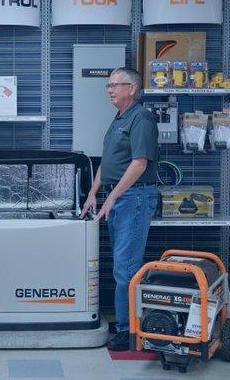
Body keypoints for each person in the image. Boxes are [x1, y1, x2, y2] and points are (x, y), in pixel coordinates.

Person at [81, 67, 158, 351]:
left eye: (116, 85)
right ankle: (126, 322)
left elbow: (139, 164)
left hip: (134, 200)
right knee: (121, 266)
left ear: (133, 89)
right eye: (108, 85)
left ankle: (127, 331)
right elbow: (110, 160)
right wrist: (93, 192)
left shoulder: (142, 118)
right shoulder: (120, 118)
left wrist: (112, 197)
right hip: (121, 199)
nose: (110, 90)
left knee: (125, 269)